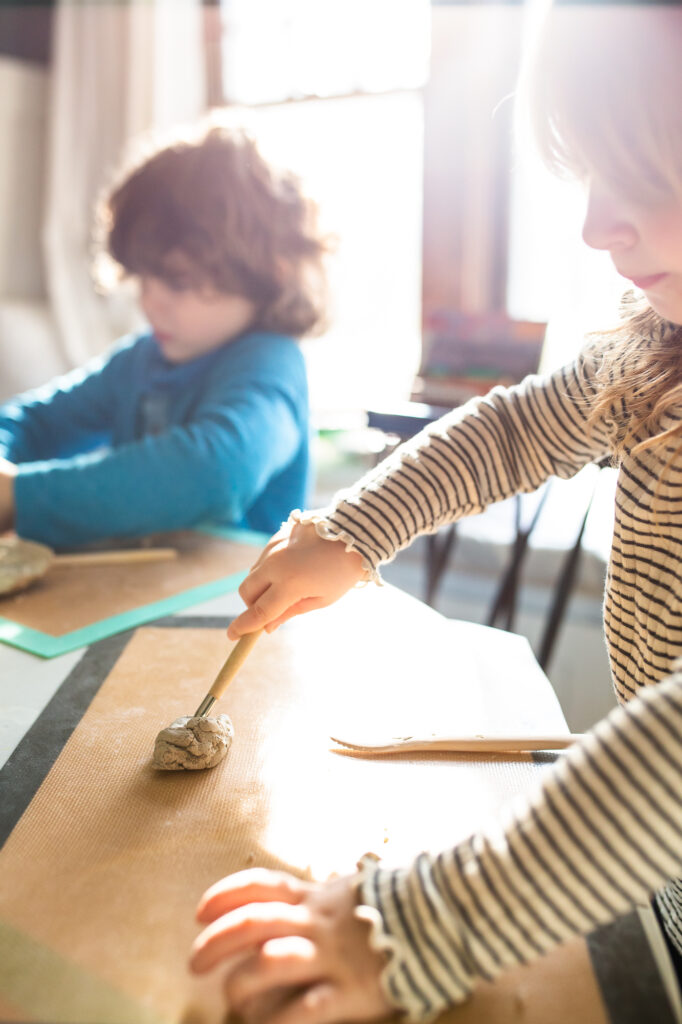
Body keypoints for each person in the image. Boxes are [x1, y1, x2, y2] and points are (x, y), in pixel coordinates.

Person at [189, 6, 682, 1024]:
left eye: (643, 171)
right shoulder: (653, 346)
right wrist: (354, 529)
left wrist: (423, 924)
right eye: (590, 172)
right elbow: (511, 431)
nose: (596, 224)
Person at [0, 120, 329, 549]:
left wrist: (17, 496)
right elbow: (36, 420)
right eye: (143, 277)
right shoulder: (142, 359)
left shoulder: (271, 366)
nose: (148, 302)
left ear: (265, 273)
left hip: (236, 604)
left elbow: (215, 473)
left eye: (176, 282)